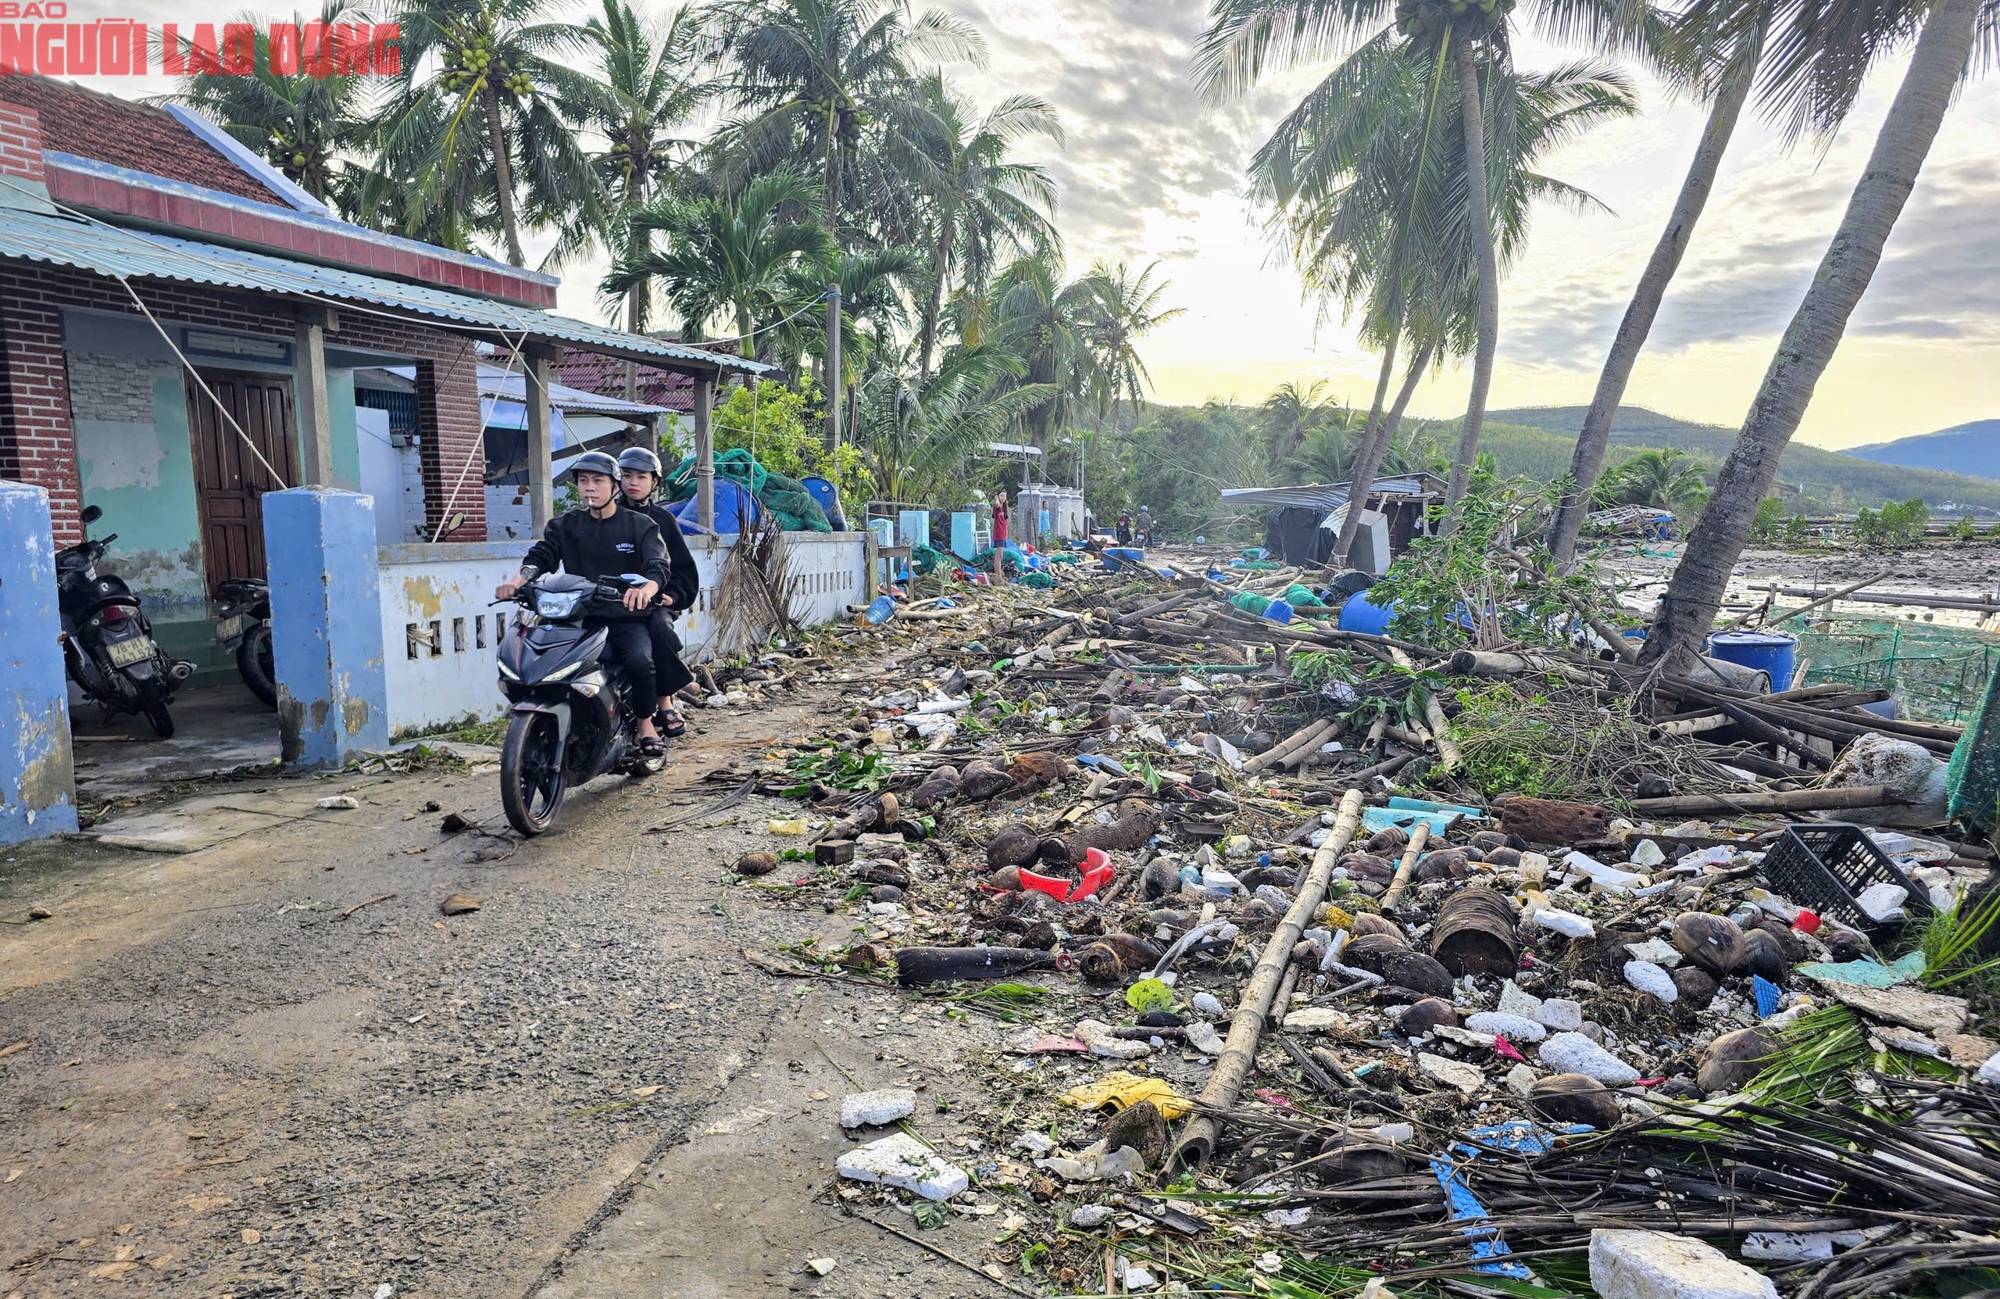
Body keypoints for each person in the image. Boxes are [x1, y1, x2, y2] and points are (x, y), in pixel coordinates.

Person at [494, 451, 669, 757]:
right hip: (575, 616)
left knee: (640, 660)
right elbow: (541, 557)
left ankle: (645, 722)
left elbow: (658, 565)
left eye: (598, 481)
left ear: (615, 485)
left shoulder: (640, 525)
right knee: (538, 659)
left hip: (623, 615)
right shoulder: (566, 524)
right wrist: (517, 582)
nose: (590, 487)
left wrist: (647, 587)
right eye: (583, 480)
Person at [616, 446, 698, 739]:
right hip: (609, 601)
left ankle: (664, 701)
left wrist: (671, 596)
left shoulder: (663, 520)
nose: (633, 482)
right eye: (627, 475)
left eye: (641, 477)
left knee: (659, 629)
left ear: (654, 482)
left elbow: (682, 569)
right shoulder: (605, 516)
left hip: (655, 601)